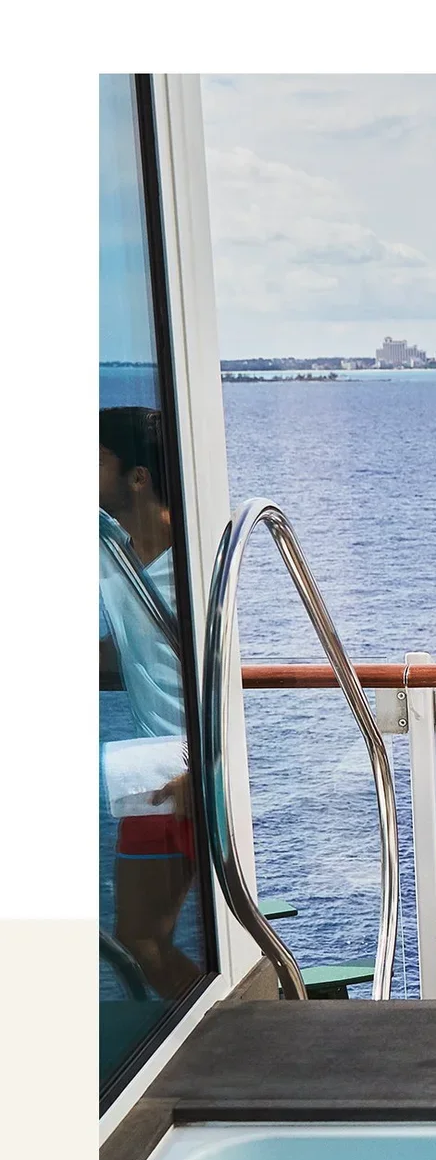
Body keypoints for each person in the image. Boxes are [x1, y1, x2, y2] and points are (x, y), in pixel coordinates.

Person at [99, 406, 200, 998]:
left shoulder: (188, 568)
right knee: (139, 941)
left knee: (140, 942)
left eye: (97, 460)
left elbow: (211, 676)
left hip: (183, 776)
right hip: (155, 776)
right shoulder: (115, 547)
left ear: (137, 477)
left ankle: (248, 1043)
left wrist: (197, 764)